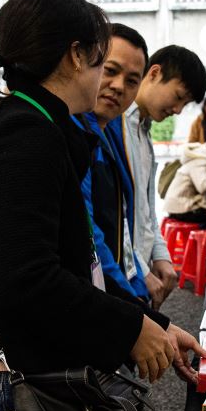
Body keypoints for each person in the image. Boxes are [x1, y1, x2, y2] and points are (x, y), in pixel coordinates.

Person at [0, 0, 206, 411]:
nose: (110, 83)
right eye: (104, 62)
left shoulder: (32, 125)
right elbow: (29, 281)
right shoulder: (28, 135)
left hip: (9, 382)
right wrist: (131, 328)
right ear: (76, 56)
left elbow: (67, 268)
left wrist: (155, 325)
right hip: (3, 391)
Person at [108, 45, 206, 309]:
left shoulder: (144, 130)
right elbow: (113, 217)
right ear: (153, 73)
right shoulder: (113, 124)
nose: (178, 109)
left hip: (137, 274)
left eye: (185, 104)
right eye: (178, 96)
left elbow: (147, 208)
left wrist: (160, 255)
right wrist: (140, 269)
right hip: (120, 275)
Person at [74, 22, 150, 299]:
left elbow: (122, 223)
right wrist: (132, 303)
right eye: (110, 70)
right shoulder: (75, 133)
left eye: (131, 81)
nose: (118, 86)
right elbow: (89, 234)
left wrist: (137, 287)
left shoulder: (110, 132)